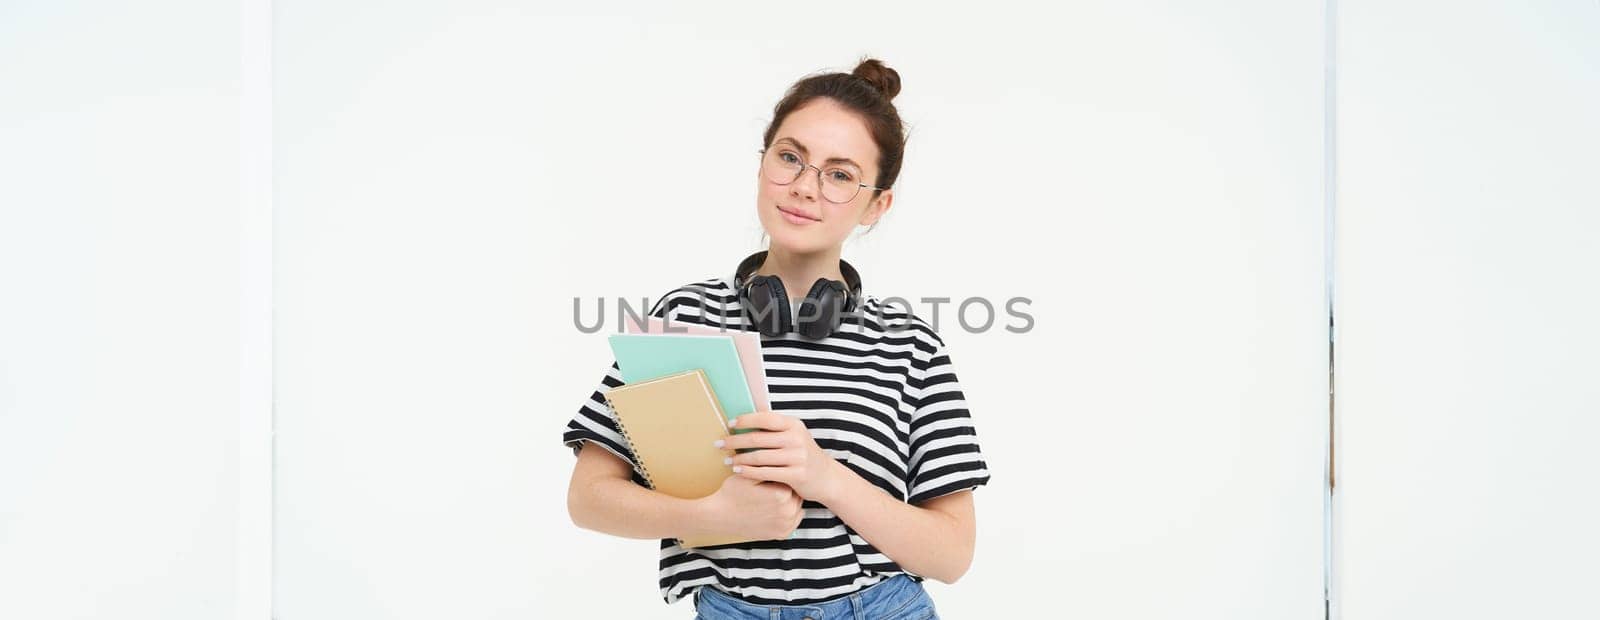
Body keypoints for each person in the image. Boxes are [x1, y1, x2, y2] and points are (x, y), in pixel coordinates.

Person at [562, 57, 991, 620]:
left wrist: (825, 476)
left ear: (876, 204)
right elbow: (589, 498)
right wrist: (716, 516)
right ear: (763, 162)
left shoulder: (911, 346)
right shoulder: (685, 316)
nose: (805, 188)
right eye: (790, 158)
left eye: (840, 174)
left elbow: (953, 554)